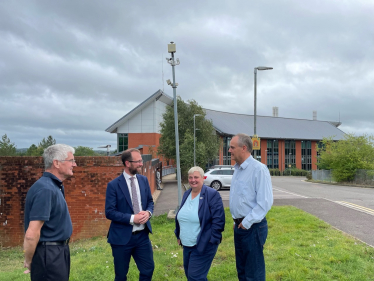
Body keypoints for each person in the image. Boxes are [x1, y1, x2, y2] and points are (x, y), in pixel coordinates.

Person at [23, 144, 77, 281]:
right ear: (56, 163)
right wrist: (29, 260)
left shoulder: (54, 186)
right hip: (49, 255)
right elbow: (31, 234)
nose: (74, 164)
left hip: (58, 252)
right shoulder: (46, 189)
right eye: (71, 160)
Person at [228, 133, 273, 281]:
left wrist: (246, 222)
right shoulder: (238, 170)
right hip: (240, 226)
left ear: (244, 148)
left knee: (254, 272)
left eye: (232, 147)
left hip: (252, 227)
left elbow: (265, 202)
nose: (229, 150)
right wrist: (237, 221)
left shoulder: (258, 169)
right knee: (242, 270)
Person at [105, 148, 154, 281]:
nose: (141, 164)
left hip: (142, 236)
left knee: (148, 269)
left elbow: (150, 201)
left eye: (141, 160)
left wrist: (148, 213)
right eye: (138, 161)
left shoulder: (143, 180)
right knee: (121, 275)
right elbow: (109, 212)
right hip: (121, 238)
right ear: (127, 163)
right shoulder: (113, 185)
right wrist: (133, 218)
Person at [175, 166, 225, 281]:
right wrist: (178, 234)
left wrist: (211, 240)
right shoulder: (187, 194)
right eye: (190, 177)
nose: (193, 180)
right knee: (190, 275)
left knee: (195, 277)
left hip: (203, 244)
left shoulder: (212, 195)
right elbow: (182, 216)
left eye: (196, 177)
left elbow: (219, 221)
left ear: (203, 178)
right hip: (187, 244)